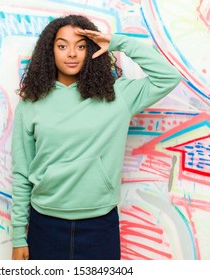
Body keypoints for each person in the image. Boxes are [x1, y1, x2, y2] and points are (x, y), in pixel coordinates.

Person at [10, 14, 181, 260]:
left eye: (80, 46)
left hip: (100, 224)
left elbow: (168, 77)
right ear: (50, 51)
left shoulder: (118, 95)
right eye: (62, 46)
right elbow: (22, 172)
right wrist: (18, 236)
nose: (71, 53)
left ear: (92, 49)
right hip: (44, 223)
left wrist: (118, 42)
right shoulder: (31, 104)